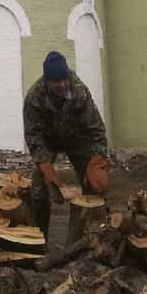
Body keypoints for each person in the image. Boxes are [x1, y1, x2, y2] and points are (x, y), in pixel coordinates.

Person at [23, 51, 108, 241]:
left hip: (76, 139)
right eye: (55, 81)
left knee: (95, 185)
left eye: (63, 79)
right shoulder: (34, 98)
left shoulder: (79, 91)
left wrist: (98, 162)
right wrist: (47, 169)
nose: (61, 84)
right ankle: (39, 238)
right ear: (47, 81)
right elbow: (34, 137)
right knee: (38, 189)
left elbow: (96, 130)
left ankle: (96, 235)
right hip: (48, 141)